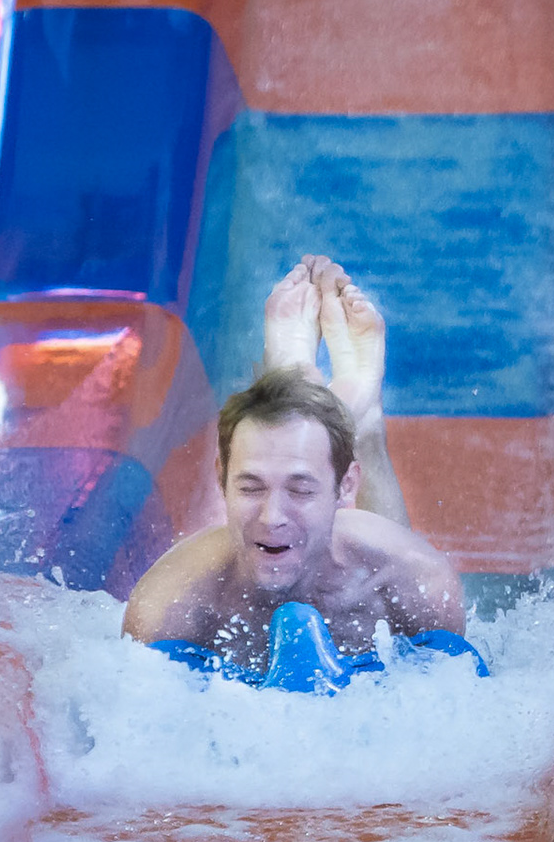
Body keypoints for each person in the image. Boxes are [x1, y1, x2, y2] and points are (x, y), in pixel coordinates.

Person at [122, 256, 465, 668]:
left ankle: (361, 425)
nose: (273, 517)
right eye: (249, 487)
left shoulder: (417, 583)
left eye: (301, 490)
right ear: (221, 479)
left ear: (347, 488)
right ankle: (306, 392)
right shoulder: (169, 609)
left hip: (374, 553)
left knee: (382, 559)